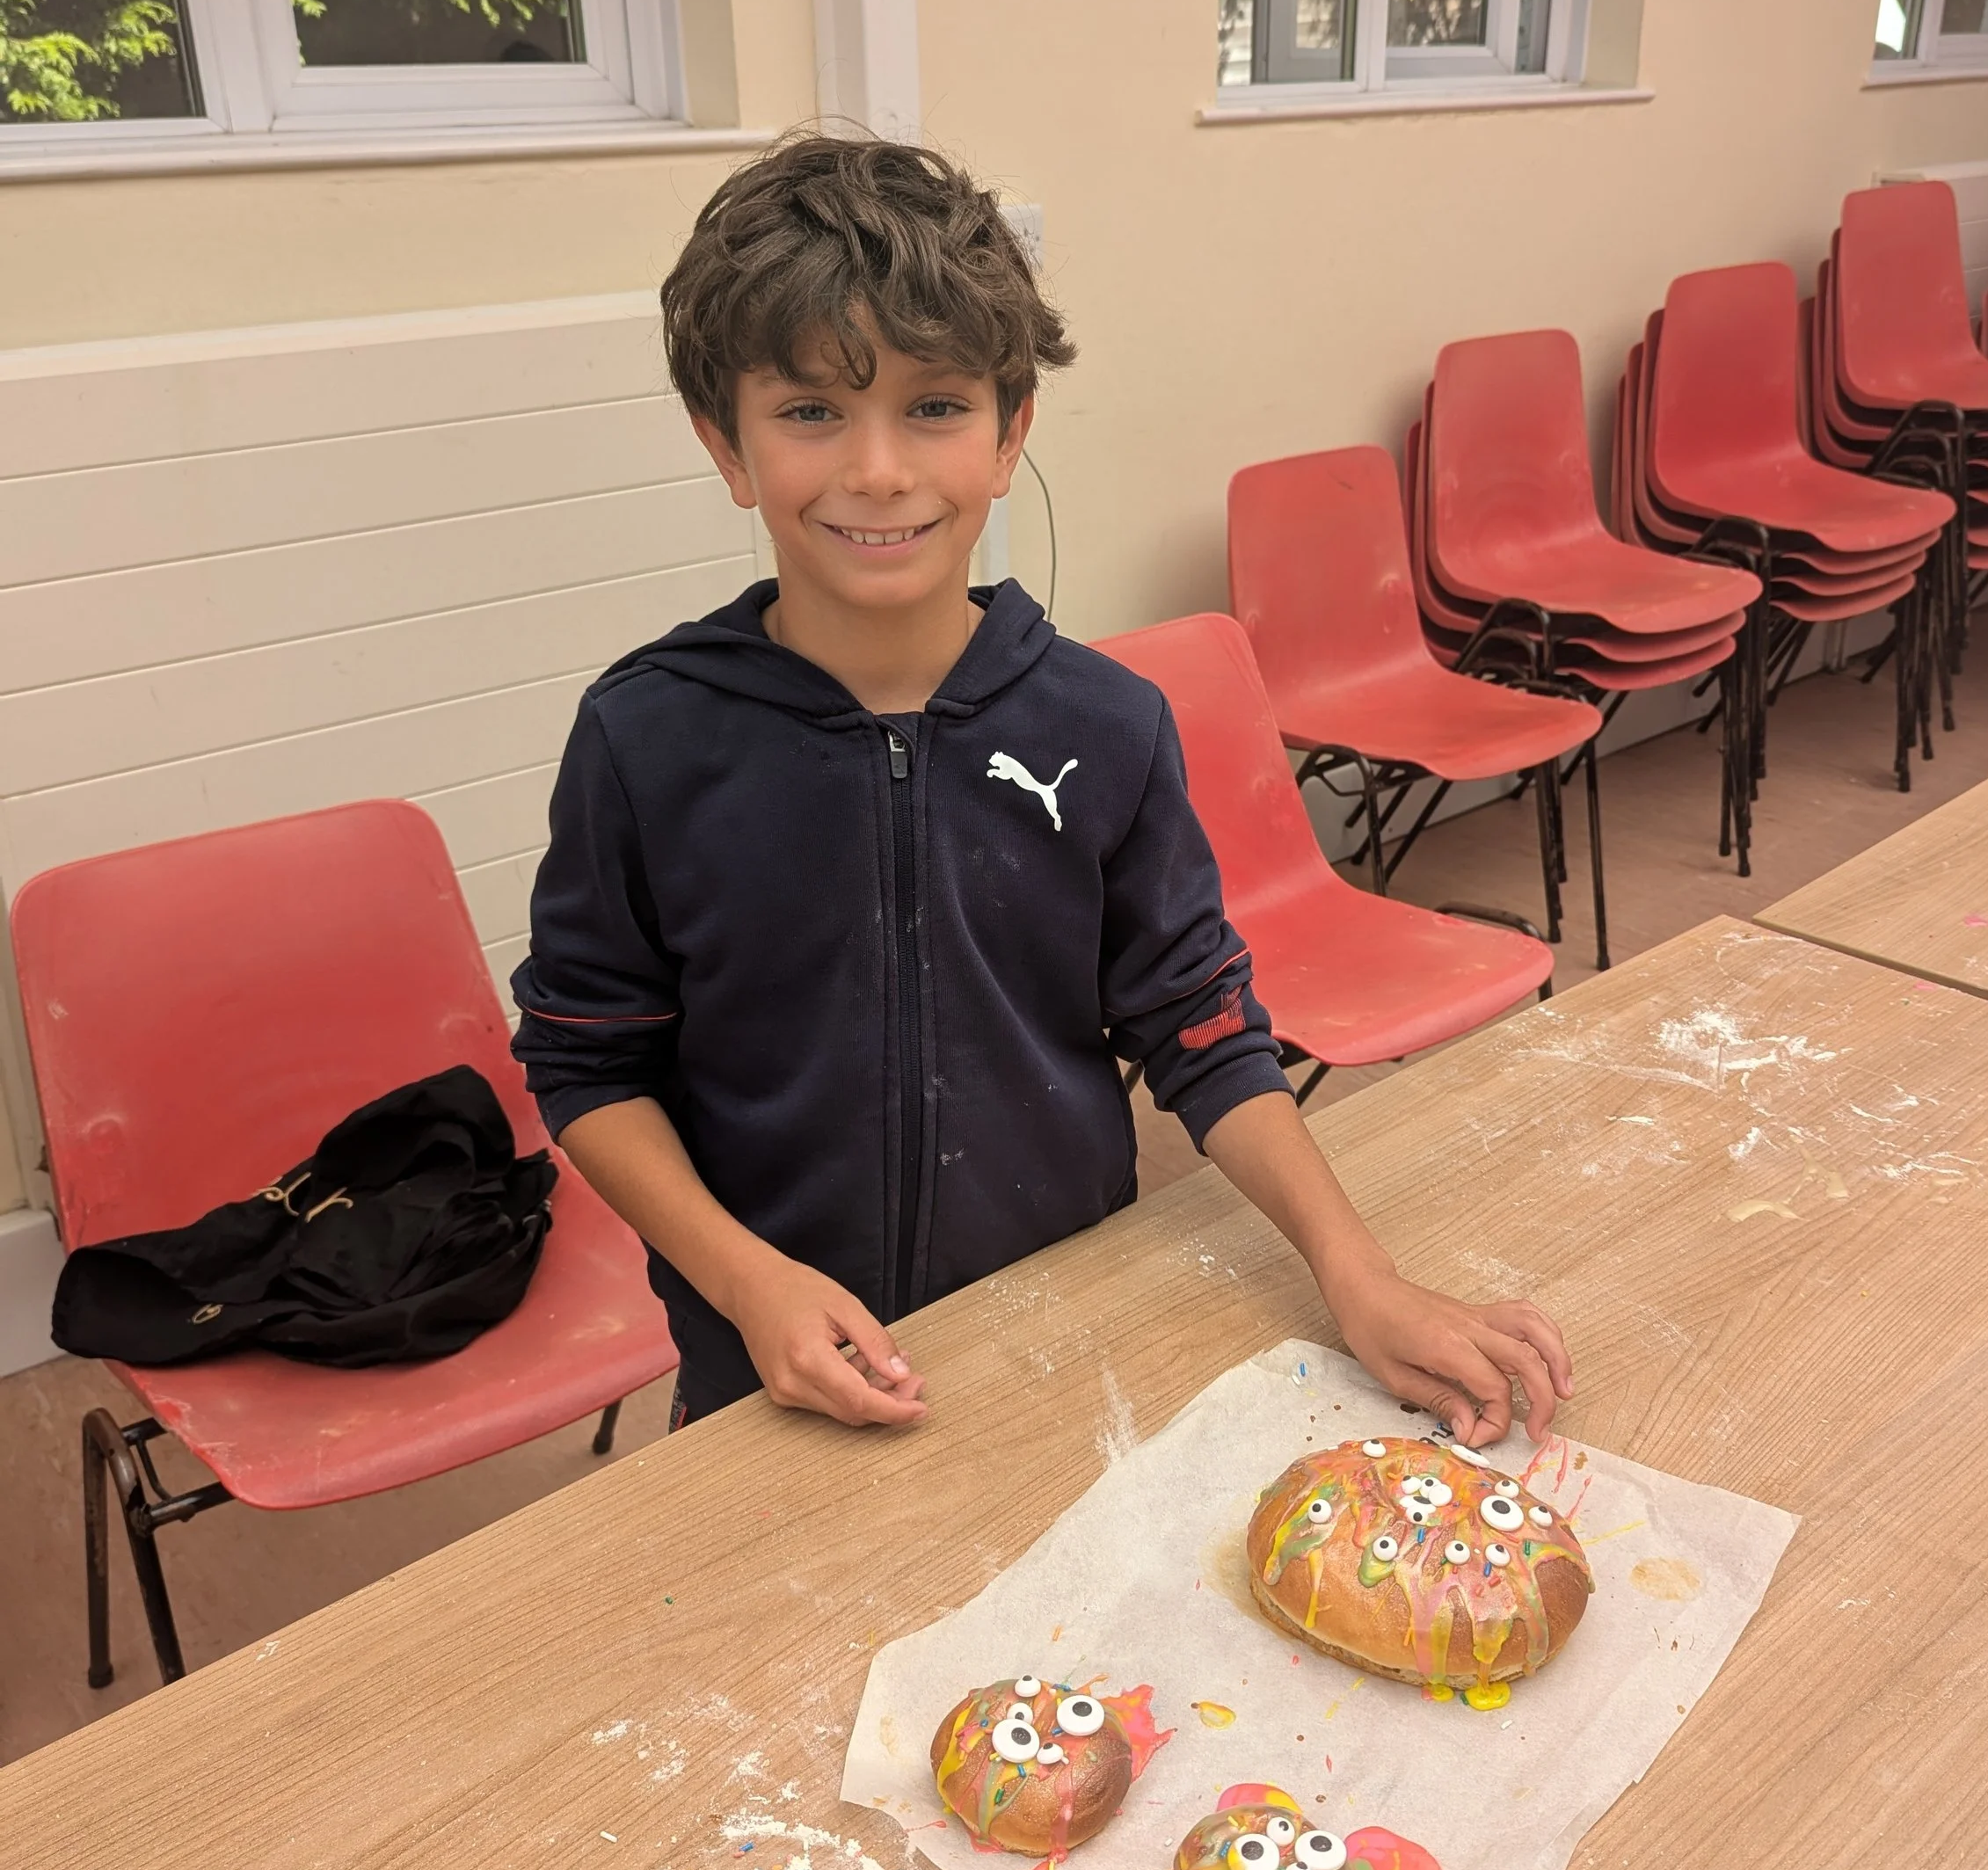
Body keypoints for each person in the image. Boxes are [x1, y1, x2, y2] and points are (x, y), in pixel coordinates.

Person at [513, 132, 1573, 1448]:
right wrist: (747, 1284)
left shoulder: (1108, 725)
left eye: (935, 407)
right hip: (770, 1368)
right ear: (727, 448)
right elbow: (583, 1064)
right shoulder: (645, 739)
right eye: (808, 413)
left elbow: (1200, 1024)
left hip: (1070, 1325)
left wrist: (1358, 1278)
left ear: (1012, 432)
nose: (879, 470)